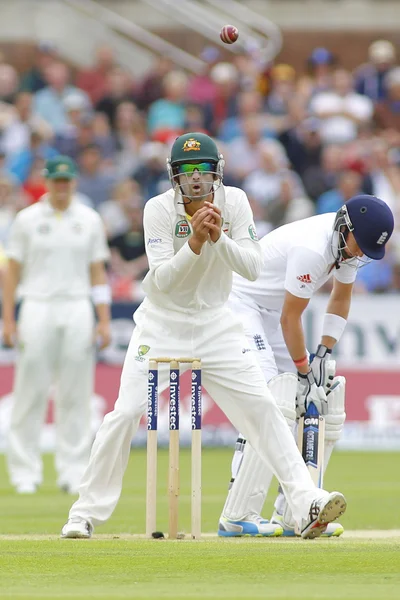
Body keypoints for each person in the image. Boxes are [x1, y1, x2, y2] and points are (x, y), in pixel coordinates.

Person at [61, 132, 347, 540]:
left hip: (216, 322)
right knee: (124, 413)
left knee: (263, 408)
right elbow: (159, 284)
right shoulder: (157, 209)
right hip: (161, 323)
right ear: (174, 176)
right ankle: (84, 514)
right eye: (186, 171)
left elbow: (251, 266)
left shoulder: (237, 202)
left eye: (203, 170)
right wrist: (194, 241)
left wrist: (218, 238)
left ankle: (306, 502)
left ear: (218, 172)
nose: (196, 178)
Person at [217, 194, 394, 537]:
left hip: (272, 312)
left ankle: (296, 512)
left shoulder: (347, 245)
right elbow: (291, 316)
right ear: (346, 227)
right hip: (242, 303)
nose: (360, 254)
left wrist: (324, 352)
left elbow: (341, 298)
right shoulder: (313, 249)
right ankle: (237, 514)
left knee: (309, 396)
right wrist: (303, 368)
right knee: (272, 398)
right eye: (360, 245)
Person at [2, 155, 111, 494]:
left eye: (67, 181)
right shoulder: (27, 219)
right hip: (36, 303)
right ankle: (24, 472)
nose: (62, 188)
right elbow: (12, 272)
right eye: (56, 181)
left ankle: (73, 470)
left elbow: (97, 272)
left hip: (77, 305)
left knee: (76, 393)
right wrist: (9, 317)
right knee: (30, 390)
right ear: (46, 183)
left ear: (74, 182)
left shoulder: (90, 219)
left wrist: (103, 319)